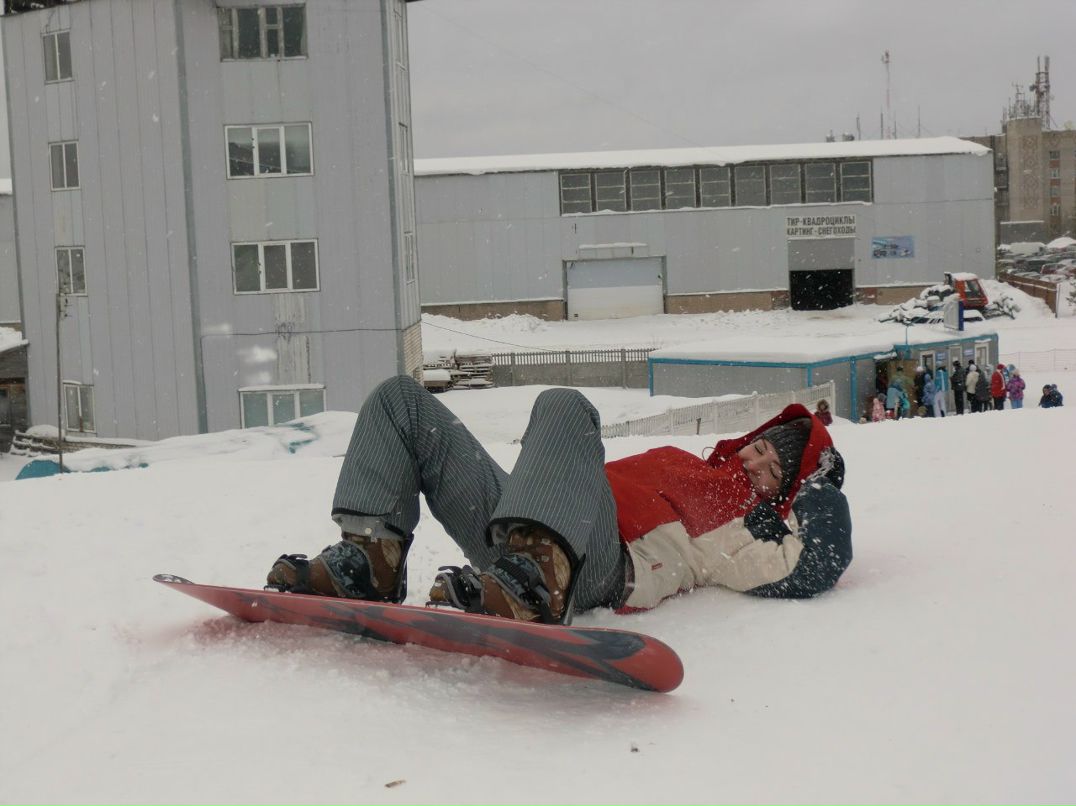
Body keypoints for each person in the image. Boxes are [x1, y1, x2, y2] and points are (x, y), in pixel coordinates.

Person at [264, 376, 853, 624]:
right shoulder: (683, 459)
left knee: (565, 405)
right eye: (761, 449)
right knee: (401, 401)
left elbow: (815, 565)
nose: (754, 464)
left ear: (790, 490)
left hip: (596, 565)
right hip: (520, 532)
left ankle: (537, 582)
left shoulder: (747, 525)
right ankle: (372, 559)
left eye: (775, 471)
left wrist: (820, 485)